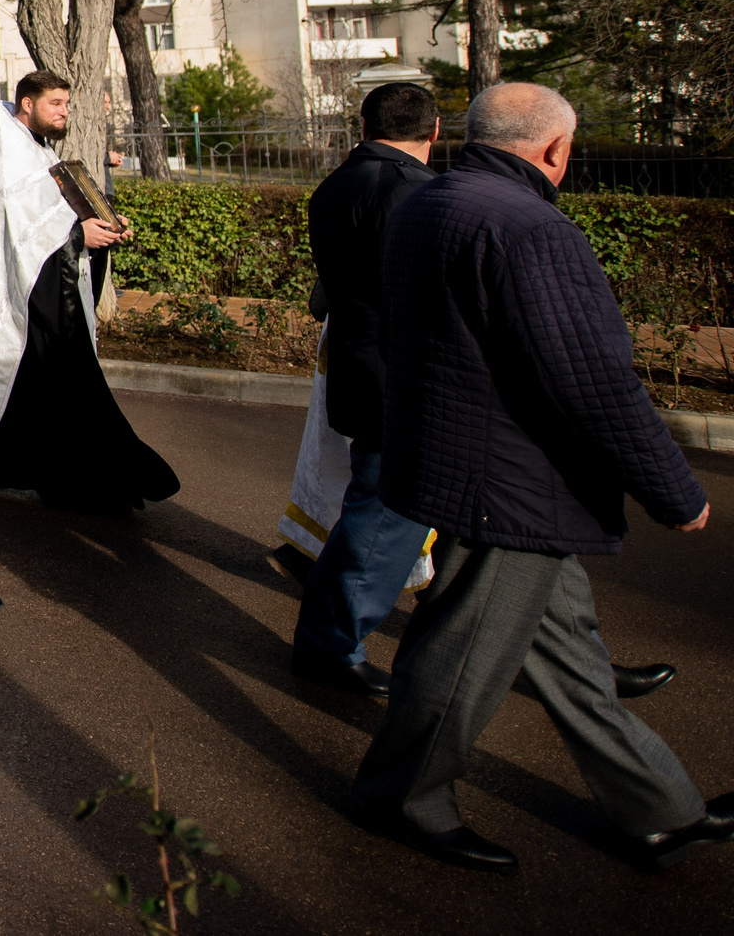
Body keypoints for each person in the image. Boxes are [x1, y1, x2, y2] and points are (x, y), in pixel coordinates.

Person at [353, 81, 729, 874]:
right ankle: (402, 795)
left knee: (570, 656)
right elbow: (593, 379)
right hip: (514, 485)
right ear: (555, 149)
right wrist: (676, 490)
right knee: (457, 655)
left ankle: (661, 808)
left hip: (466, 464)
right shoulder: (533, 227)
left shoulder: (432, 199)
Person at [0, 70, 179, 514]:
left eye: (66, 104)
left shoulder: (35, 148)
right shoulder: (11, 156)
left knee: (47, 393)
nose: (64, 113)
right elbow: (23, 230)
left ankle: (81, 478)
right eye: (55, 104)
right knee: (61, 391)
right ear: (27, 104)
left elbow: (52, 215)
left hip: (46, 290)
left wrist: (103, 228)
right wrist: (81, 237)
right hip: (26, 298)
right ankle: (87, 481)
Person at [280, 81, 441, 697]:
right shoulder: (418, 192)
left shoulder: (335, 185)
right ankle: (328, 641)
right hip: (405, 378)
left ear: (364, 126)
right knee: (381, 514)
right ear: (433, 131)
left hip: (358, 365)